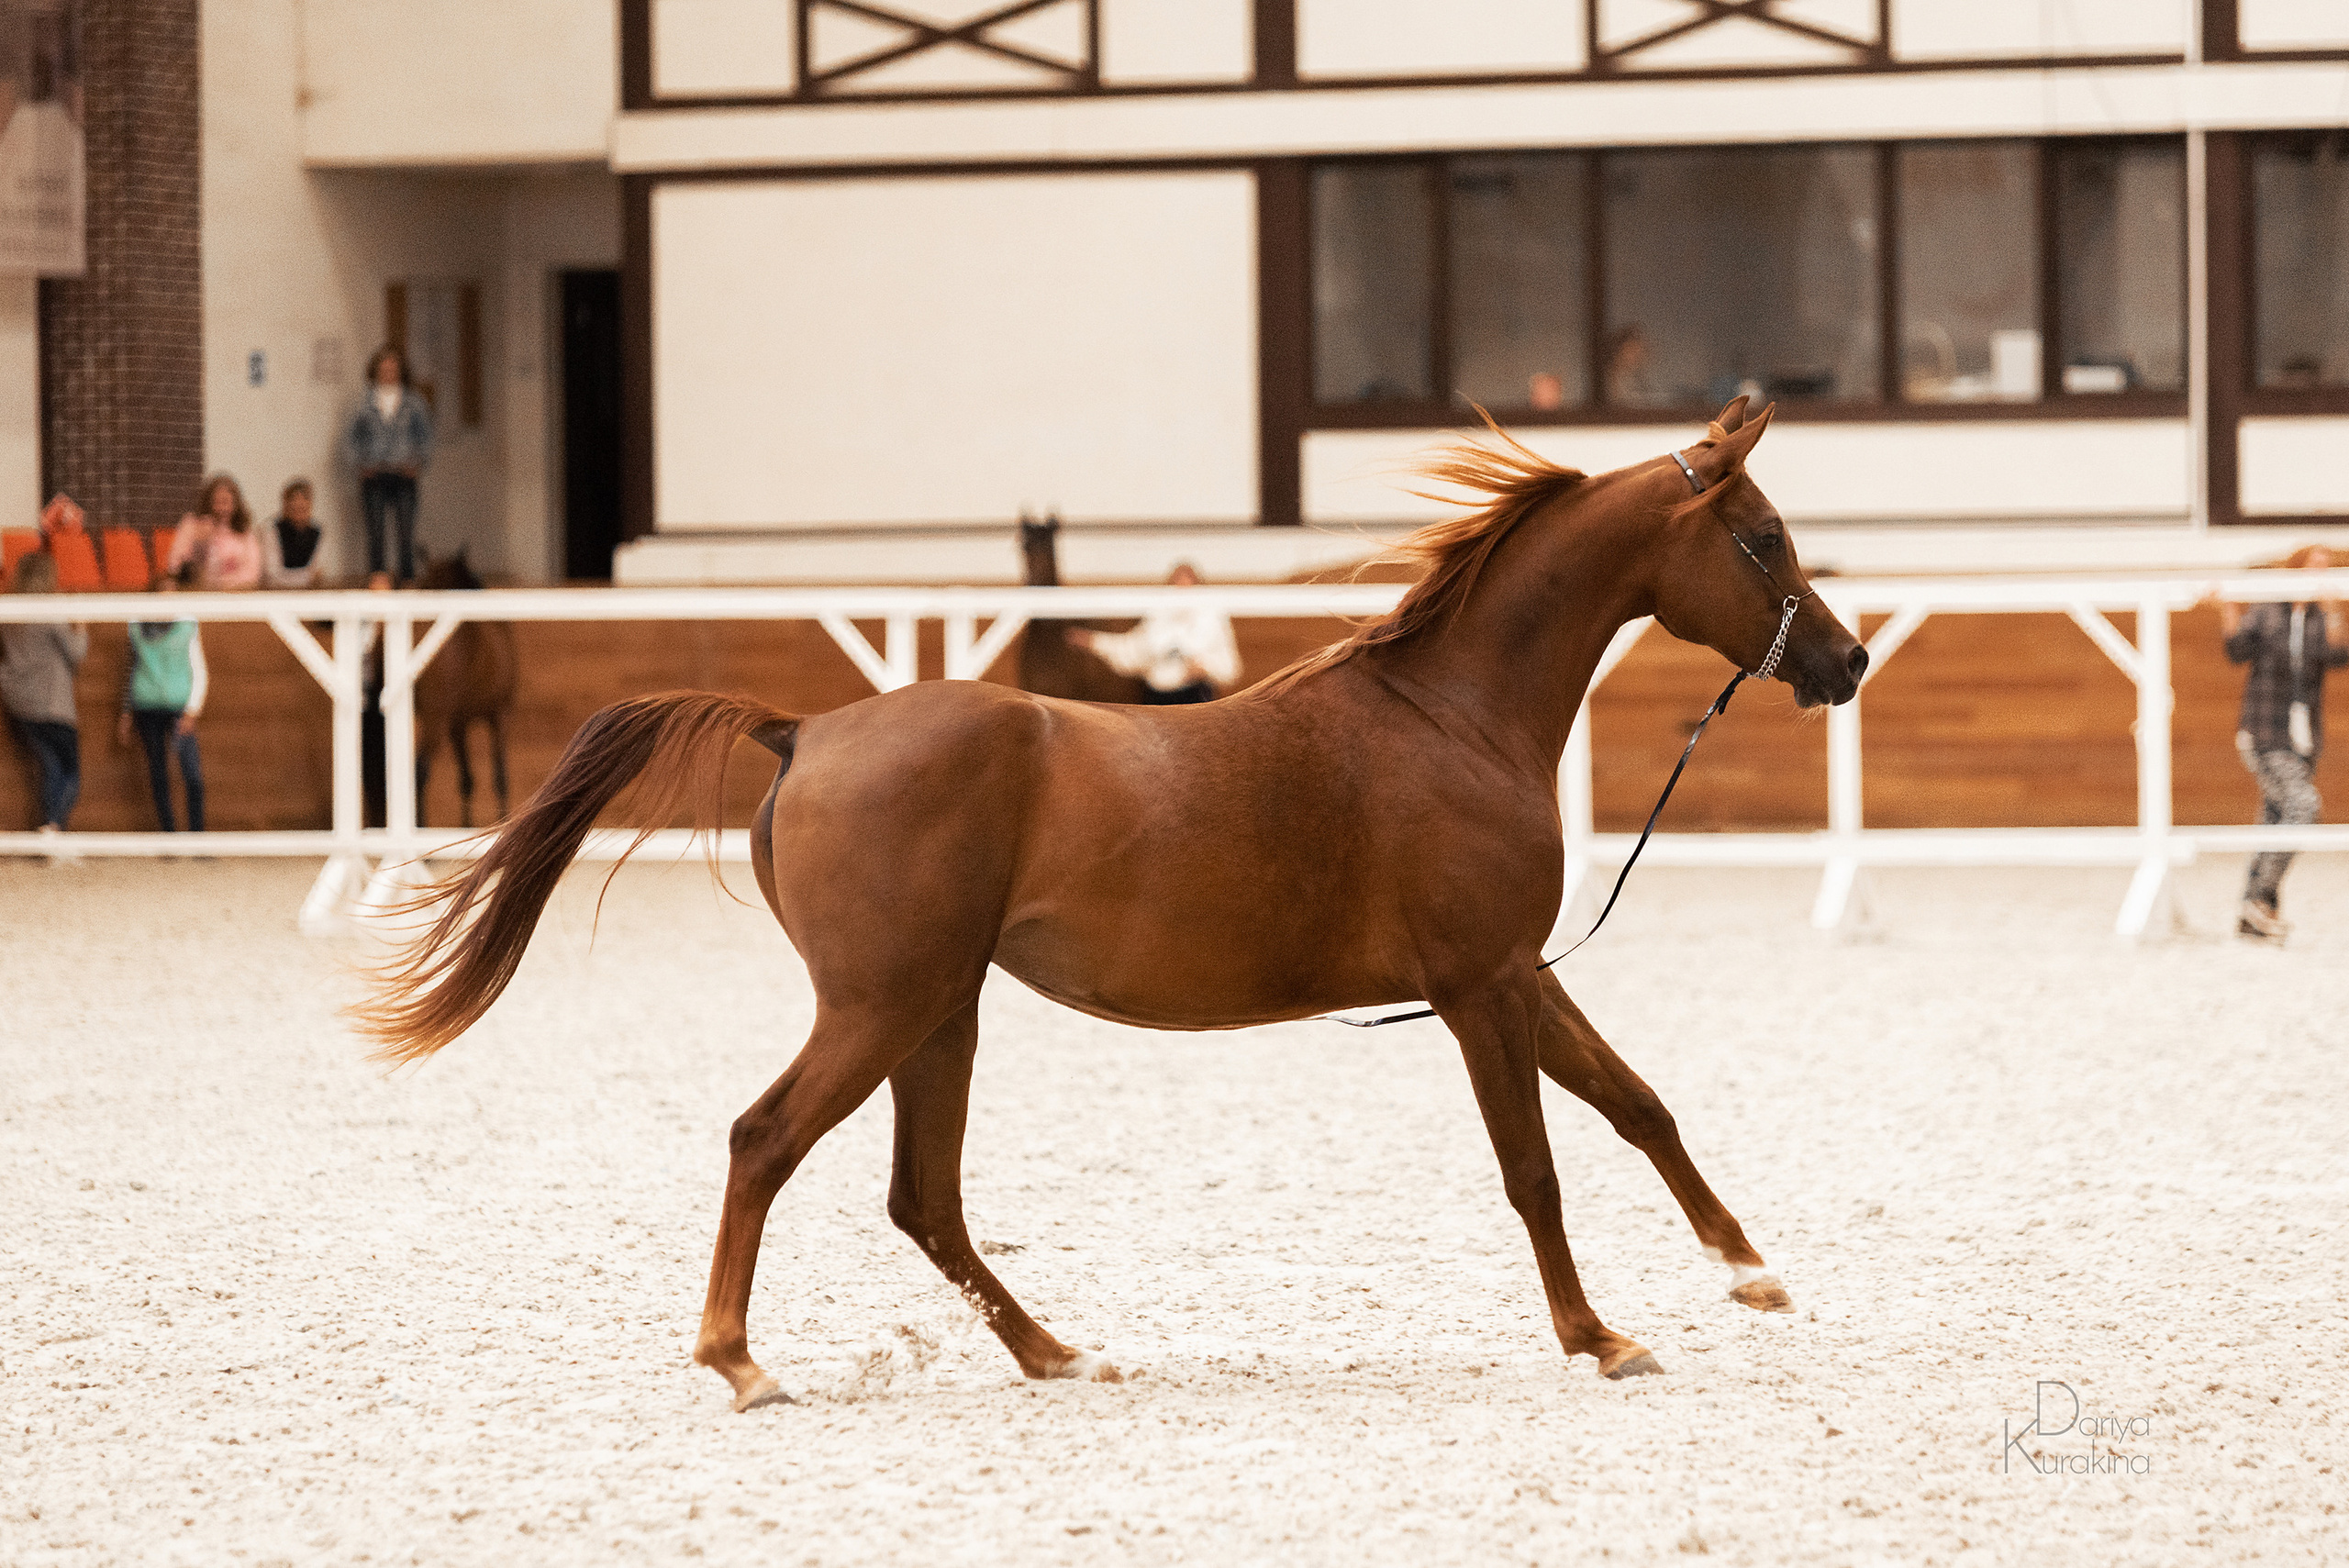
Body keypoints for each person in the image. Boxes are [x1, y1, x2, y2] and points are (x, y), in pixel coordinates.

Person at [2214, 544, 2348, 940]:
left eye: (2326, 570)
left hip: (2304, 736)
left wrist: (2332, 611)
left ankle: (2255, 915)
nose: (2318, 576)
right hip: (2264, 730)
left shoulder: (2321, 619)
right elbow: (2237, 649)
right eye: (2313, 568)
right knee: (2302, 806)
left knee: (2274, 819)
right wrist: (2226, 607)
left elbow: (2339, 657)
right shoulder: (2269, 609)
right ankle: (2255, 902)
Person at [1, 550, 87, 850]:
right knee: (70, 771)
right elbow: (76, 653)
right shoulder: (51, 611)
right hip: (52, 704)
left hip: (18, 704)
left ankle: (50, 829)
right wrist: (81, 624)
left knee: (50, 768)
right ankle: (53, 829)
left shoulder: (10, 612)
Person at [1069, 562, 1240, 705]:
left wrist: (1205, 668)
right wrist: (1093, 641)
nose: (1183, 587)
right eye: (1177, 582)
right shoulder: (1157, 615)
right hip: (1159, 698)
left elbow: (1228, 665)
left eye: (1189, 582)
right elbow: (1132, 650)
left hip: (1196, 697)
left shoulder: (1213, 618)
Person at [118, 567, 207, 833]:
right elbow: (133, 666)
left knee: (192, 775)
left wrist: (193, 708)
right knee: (158, 773)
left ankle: (197, 835)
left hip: (180, 706)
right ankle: (169, 834)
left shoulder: (187, 624)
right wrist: (126, 712)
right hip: (147, 704)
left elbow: (199, 668)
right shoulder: (137, 626)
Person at [342, 345, 435, 584]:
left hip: (403, 474)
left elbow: (426, 437)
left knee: (405, 532)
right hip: (375, 474)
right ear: (375, 371)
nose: (388, 374)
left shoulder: (414, 402)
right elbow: (350, 437)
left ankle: (407, 581)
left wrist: (417, 462)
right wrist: (360, 464)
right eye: (383, 369)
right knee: (376, 532)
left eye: (393, 369)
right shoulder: (364, 403)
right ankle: (379, 582)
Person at [166, 473, 262, 590]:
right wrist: (201, 544)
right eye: (217, 502)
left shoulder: (243, 530)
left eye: (226, 502)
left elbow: (253, 572)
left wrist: (227, 585)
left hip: (236, 593)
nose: (222, 509)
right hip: (197, 592)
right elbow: (174, 565)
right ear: (208, 502)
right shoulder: (192, 525)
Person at [262, 477, 325, 589]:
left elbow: (317, 570)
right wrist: (303, 578)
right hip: (277, 592)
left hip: (309, 592)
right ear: (285, 503)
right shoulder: (272, 530)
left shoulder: (317, 531)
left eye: (304, 499)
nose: (299, 504)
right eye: (294, 499)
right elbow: (272, 573)